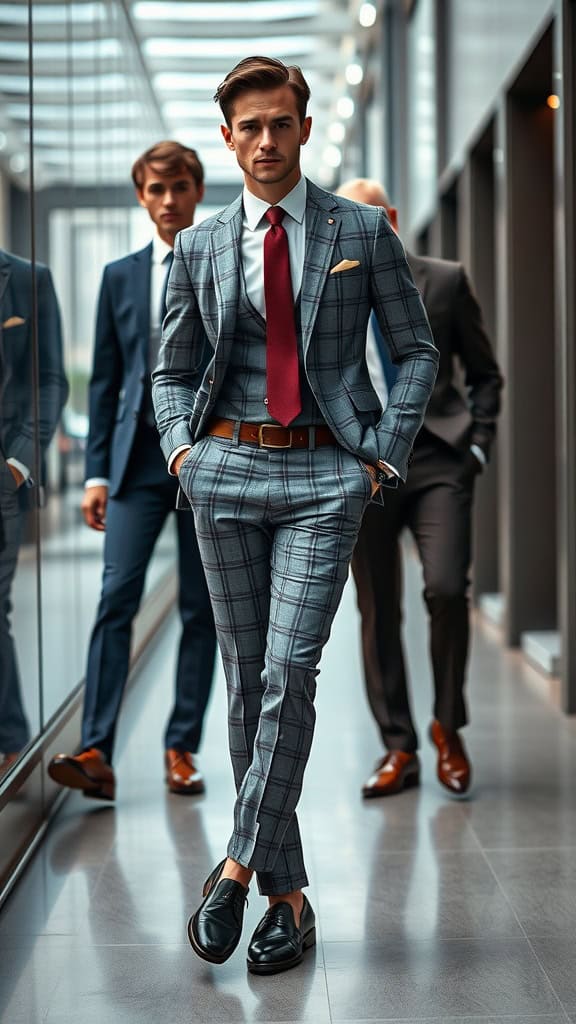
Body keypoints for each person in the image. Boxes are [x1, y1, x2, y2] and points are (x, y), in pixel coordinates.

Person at [152, 58, 438, 975]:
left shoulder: (361, 231)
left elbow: (415, 349)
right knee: (244, 681)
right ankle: (289, 895)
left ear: (305, 129)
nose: (267, 141)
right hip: (224, 470)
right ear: (227, 137)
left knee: (288, 669)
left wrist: (381, 452)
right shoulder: (197, 248)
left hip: (325, 473)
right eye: (250, 128)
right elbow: (169, 370)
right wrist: (180, 452)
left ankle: (235, 864)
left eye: (281, 124)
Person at [48, 142, 216, 801]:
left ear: (197, 190)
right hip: (134, 465)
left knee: (203, 611)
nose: (168, 200)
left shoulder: (223, 264)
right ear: (141, 197)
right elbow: (107, 383)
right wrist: (95, 474)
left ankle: (181, 748)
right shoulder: (120, 276)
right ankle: (96, 749)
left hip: (205, 460)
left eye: (178, 187)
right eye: (155, 189)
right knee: (116, 597)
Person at [338, 178, 503, 799]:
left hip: (439, 461)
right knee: (378, 607)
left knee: (444, 589)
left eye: (370, 217)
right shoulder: (330, 292)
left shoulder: (445, 278)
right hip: (367, 468)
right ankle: (398, 746)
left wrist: (478, 444)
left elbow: (486, 374)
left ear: (392, 218)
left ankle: (448, 728)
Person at [1, 248, 68, 777]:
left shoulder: (28, 279)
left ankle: (10, 747)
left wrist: (18, 465)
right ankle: (13, 735)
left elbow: (49, 380)